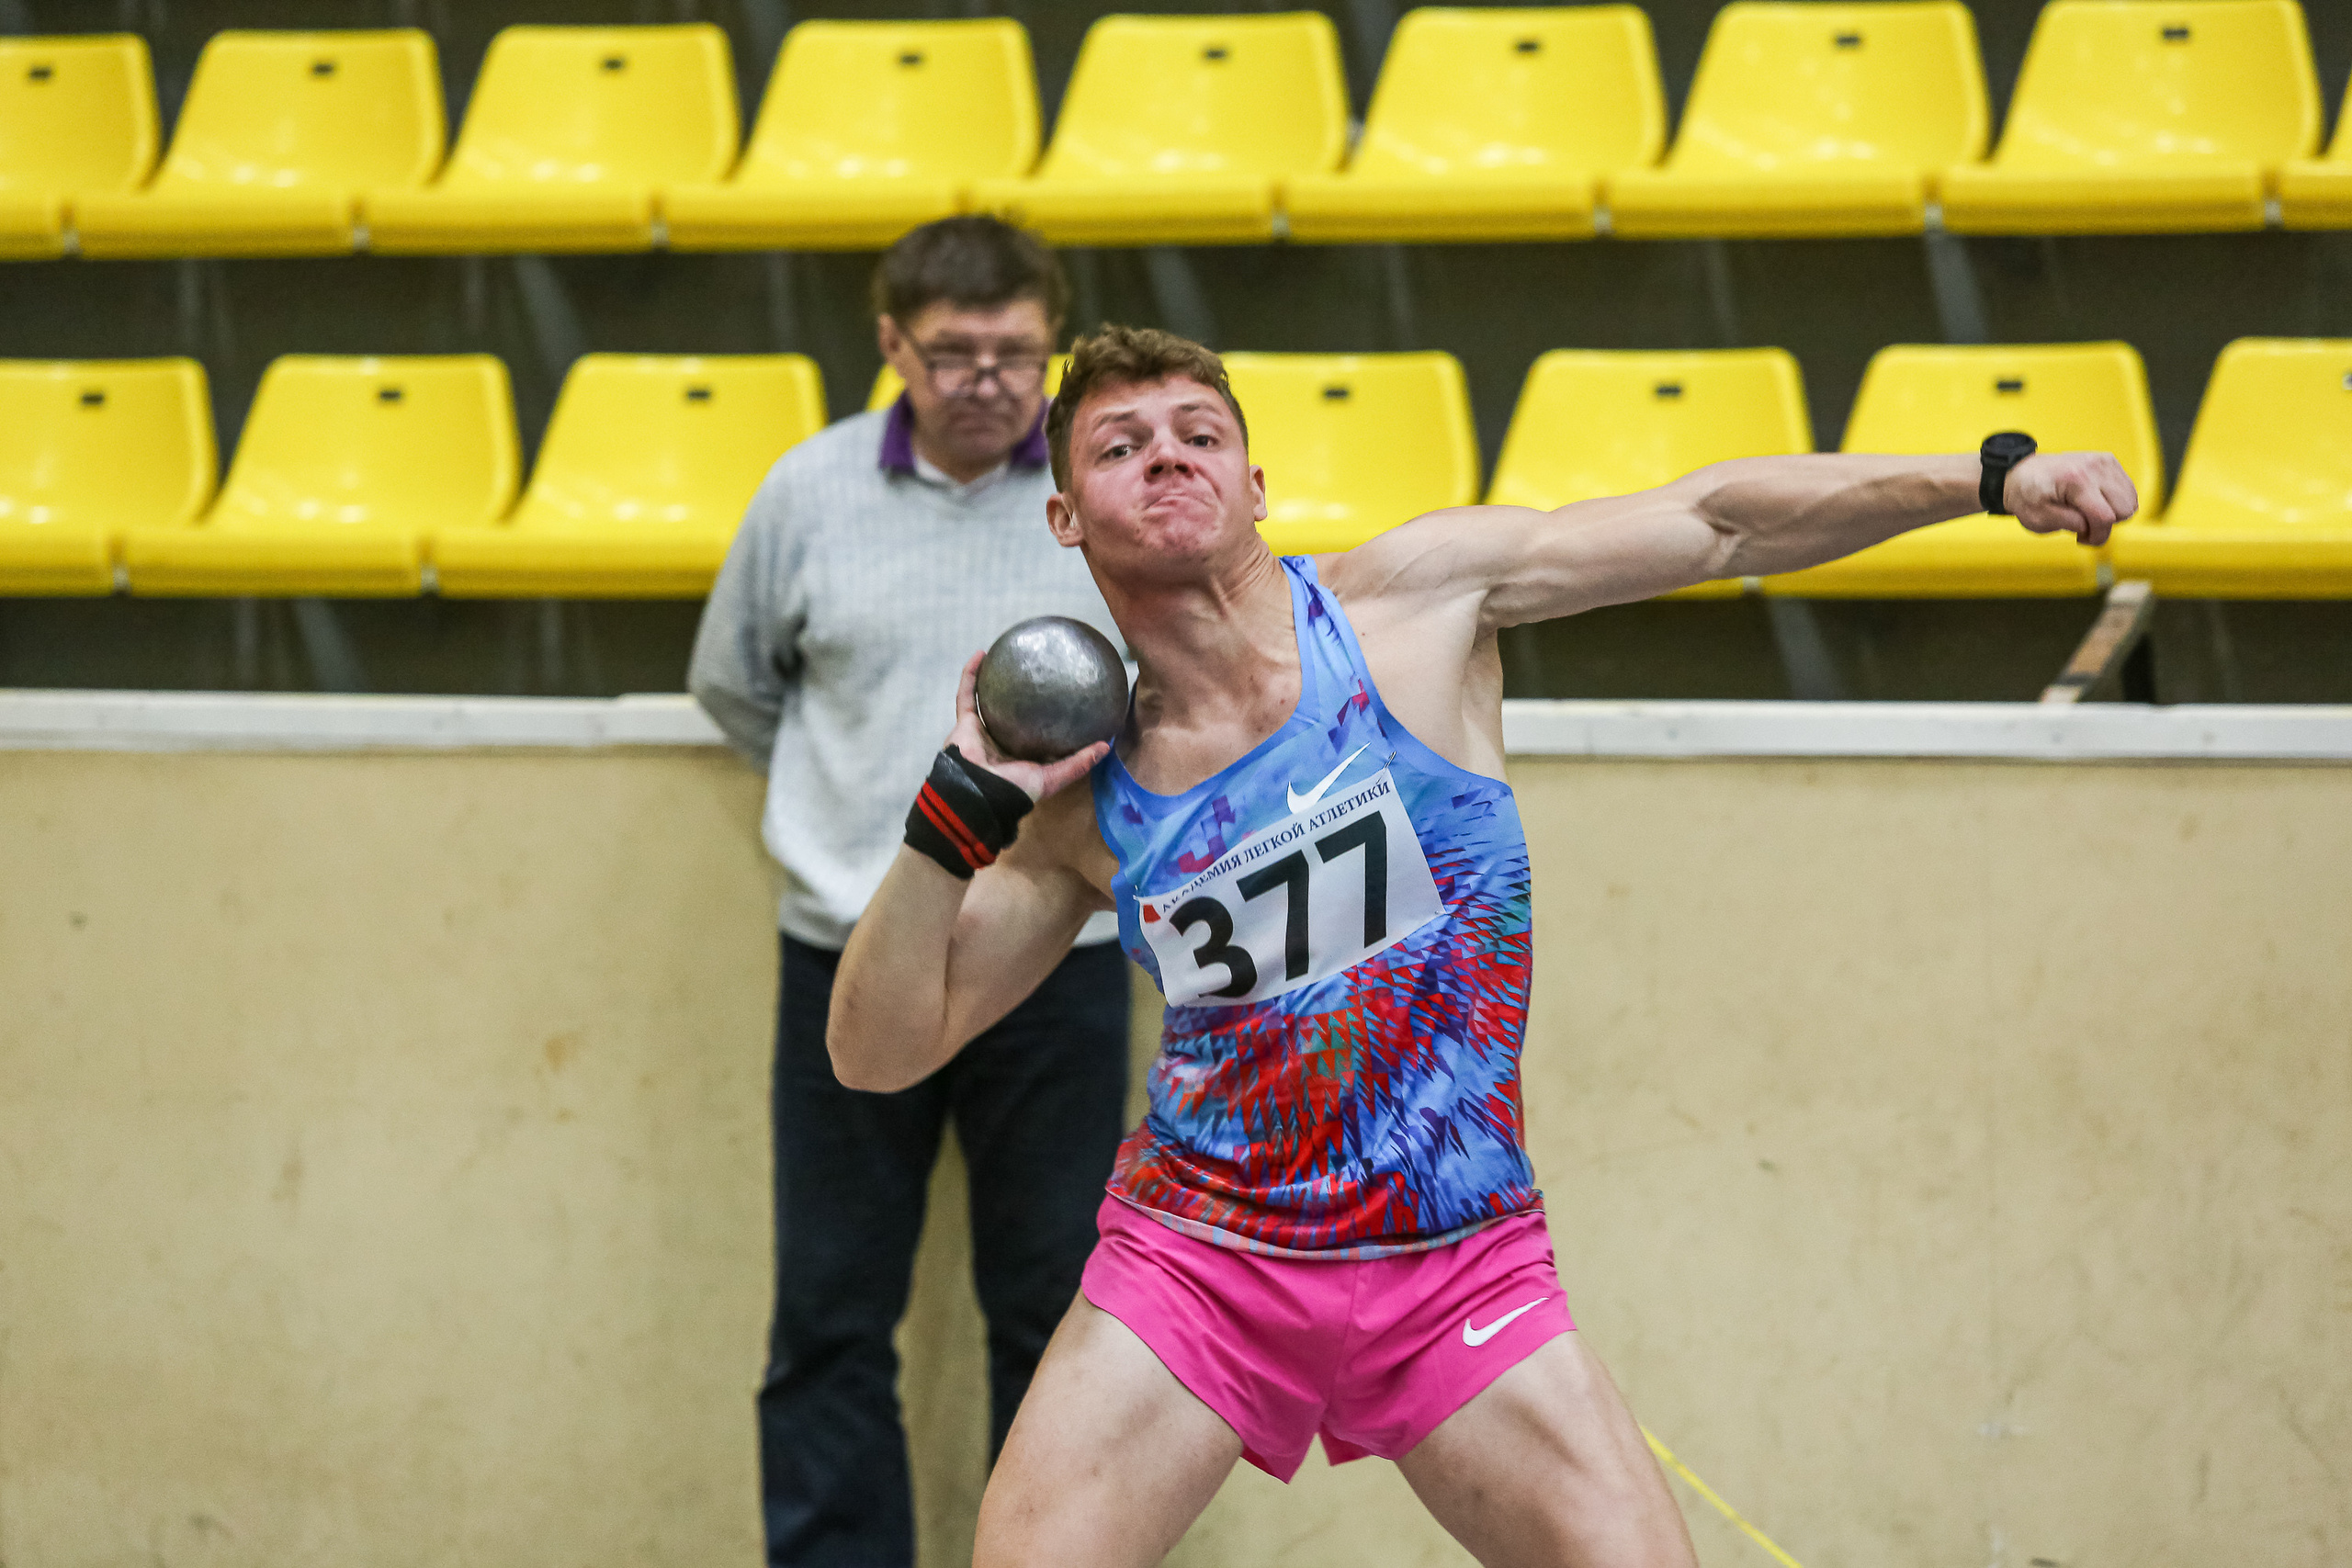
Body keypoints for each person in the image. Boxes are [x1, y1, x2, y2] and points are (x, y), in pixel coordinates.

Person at [827, 324, 2137, 1568]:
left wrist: (1987, 475)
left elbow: (1718, 518)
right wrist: (955, 818)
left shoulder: (1414, 612)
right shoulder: (1085, 800)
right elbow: (880, 1054)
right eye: (1119, 447)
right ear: (1065, 516)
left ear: (1255, 480)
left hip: (1458, 1264)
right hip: (1204, 1270)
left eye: (1198, 433)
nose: (1166, 456)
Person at [687, 218, 1131, 1568]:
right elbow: (737, 685)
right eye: (954, 353)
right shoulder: (806, 492)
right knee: (827, 1315)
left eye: (1016, 352)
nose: (990, 379)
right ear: (891, 345)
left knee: (1057, 1316)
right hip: (845, 955)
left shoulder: (1093, 501)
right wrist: (853, 835)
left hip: (1062, 964)